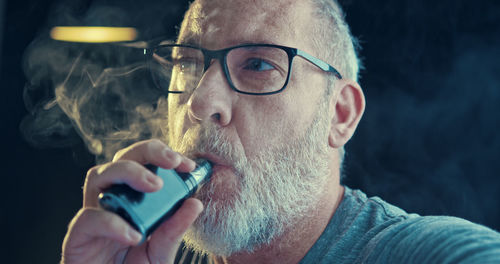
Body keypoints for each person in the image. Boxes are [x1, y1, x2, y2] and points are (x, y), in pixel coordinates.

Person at [60, 0, 500, 263]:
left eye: (258, 65)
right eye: (188, 64)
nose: (199, 102)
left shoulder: (433, 254)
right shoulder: (141, 257)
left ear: (340, 114)